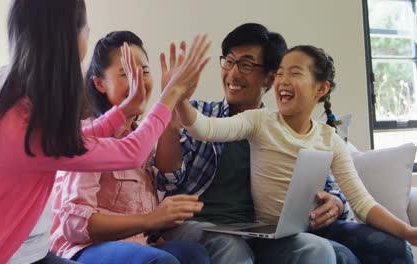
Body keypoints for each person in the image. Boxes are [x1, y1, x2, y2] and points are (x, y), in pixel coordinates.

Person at [0, 0, 212, 262]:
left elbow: (72, 140)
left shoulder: (14, 94)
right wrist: (171, 94)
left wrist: (123, 111)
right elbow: (130, 152)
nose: (88, 33)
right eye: (85, 27)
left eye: (143, 70)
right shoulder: (23, 125)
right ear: (68, 37)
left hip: (32, 254)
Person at [176, 44, 415, 263]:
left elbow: (362, 202)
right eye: (280, 73)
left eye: (295, 73)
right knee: (328, 253)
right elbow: (204, 128)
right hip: (272, 235)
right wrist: (180, 97)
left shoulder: (328, 138)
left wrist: (408, 232)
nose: (283, 80)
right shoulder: (260, 121)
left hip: (316, 226)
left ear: (321, 88)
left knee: (395, 248)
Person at [154, 23, 353, 264]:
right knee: (231, 247)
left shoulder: (281, 129)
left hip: (261, 232)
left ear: (270, 78)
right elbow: (167, 180)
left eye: (246, 65)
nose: (233, 73)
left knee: (315, 248)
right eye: (229, 61)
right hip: (196, 226)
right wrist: (172, 121)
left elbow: (329, 184)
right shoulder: (199, 114)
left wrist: (336, 203)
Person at [50, 31, 210, 264]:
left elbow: (169, 177)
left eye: (144, 71)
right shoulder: (90, 134)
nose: (139, 81)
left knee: (195, 254)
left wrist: (175, 102)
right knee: (162, 261)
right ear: (99, 83)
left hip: (138, 244)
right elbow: (75, 225)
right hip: (84, 248)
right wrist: (152, 219)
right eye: (126, 73)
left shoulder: (143, 134)